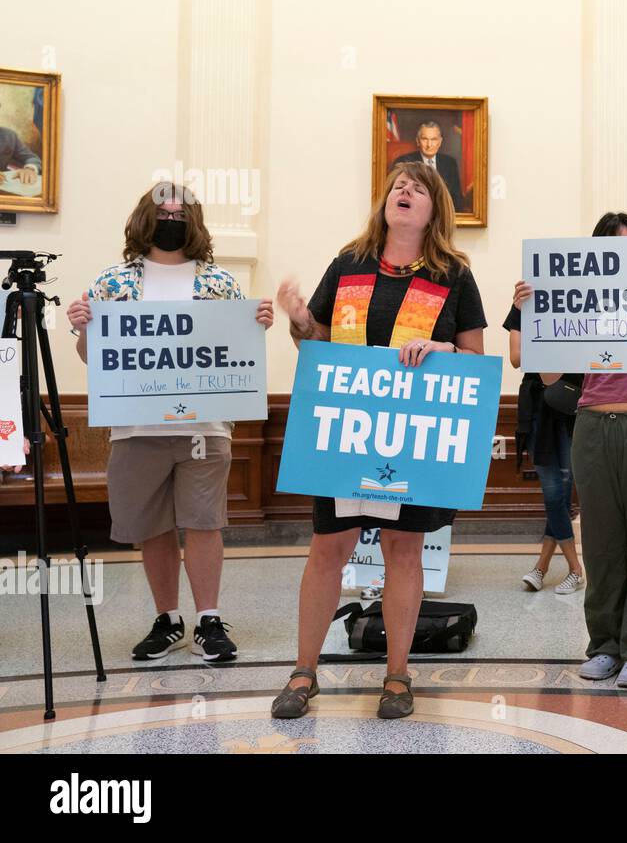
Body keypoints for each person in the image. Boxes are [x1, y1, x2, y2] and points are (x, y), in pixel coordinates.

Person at [271, 162, 486, 719]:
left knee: (403, 550)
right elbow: (316, 344)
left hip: (410, 438)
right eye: (397, 186)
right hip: (345, 433)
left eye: (417, 187)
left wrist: (442, 350)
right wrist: (299, 319)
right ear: (384, 202)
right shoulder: (349, 263)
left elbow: (477, 362)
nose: (405, 192)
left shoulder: (453, 275)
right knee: (329, 549)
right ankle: (303, 671)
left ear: (435, 206)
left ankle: (397, 675)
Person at [66, 182, 274, 663]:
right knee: (153, 526)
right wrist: (84, 327)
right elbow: (93, 359)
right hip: (135, 428)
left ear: (194, 221)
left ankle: (209, 620)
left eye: (181, 210)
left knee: (204, 523)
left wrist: (256, 321)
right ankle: (167, 619)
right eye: (163, 208)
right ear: (145, 216)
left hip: (206, 426)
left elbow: (237, 348)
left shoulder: (219, 283)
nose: (171, 215)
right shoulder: (111, 282)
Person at [531, 211, 627, 689]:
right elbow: (549, 379)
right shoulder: (584, 302)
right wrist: (535, 314)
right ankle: (603, 645)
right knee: (600, 544)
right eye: (613, 248)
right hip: (593, 424)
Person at [504, 283, 584, 594]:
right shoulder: (523, 307)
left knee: (561, 495)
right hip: (538, 409)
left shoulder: (581, 309)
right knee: (554, 494)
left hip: (574, 407)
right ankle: (573, 568)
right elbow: (517, 356)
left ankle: (543, 567)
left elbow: (586, 358)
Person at [393, 121, 465, 213]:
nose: (429, 145)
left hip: (441, 216)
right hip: (413, 216)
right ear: (418, 141)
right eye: (425, 139)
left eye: (434, 139)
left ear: (440, 142)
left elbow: (457, 199)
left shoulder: (450, 163)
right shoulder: (404, 162)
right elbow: (396, 198)